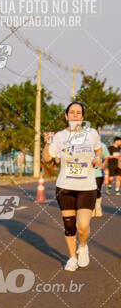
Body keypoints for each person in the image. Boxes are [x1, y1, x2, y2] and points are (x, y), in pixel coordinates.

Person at [42, 102, 102, 271]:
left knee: (82, 225)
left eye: (78, 113)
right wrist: (48, 142)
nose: (75, 115)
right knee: (69, 225)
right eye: (72, 112)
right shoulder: (60, 137)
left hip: (87, 186)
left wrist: (98, 159)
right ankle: (71, 258)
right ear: (66, 116)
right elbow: (46, 158)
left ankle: (83, 246)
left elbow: (98, 151)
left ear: (82, 117)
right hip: (65, 186)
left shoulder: (92, 134)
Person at [92, 141, 109, 217]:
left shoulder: (102, 145)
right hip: (86, 173)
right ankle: (91, 209)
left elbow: (106, 156)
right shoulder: (83, 145)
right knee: (89, 192)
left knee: (97, 191)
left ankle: (98, 207)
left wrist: (104, 164)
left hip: (98, 173)